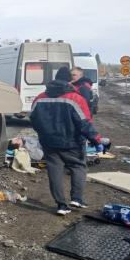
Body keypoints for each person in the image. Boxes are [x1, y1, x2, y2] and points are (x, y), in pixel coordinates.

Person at [30, 66, 103, 216]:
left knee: (54, 171)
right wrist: (96, 140)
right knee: (78, 167)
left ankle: (61, 205)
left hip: (49, 143)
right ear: (69, 80)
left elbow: (33, 119)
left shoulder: (40, 98)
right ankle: (76, 198)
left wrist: (43, 134)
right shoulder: (75, 98)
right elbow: (85, 123)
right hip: (72, 143)